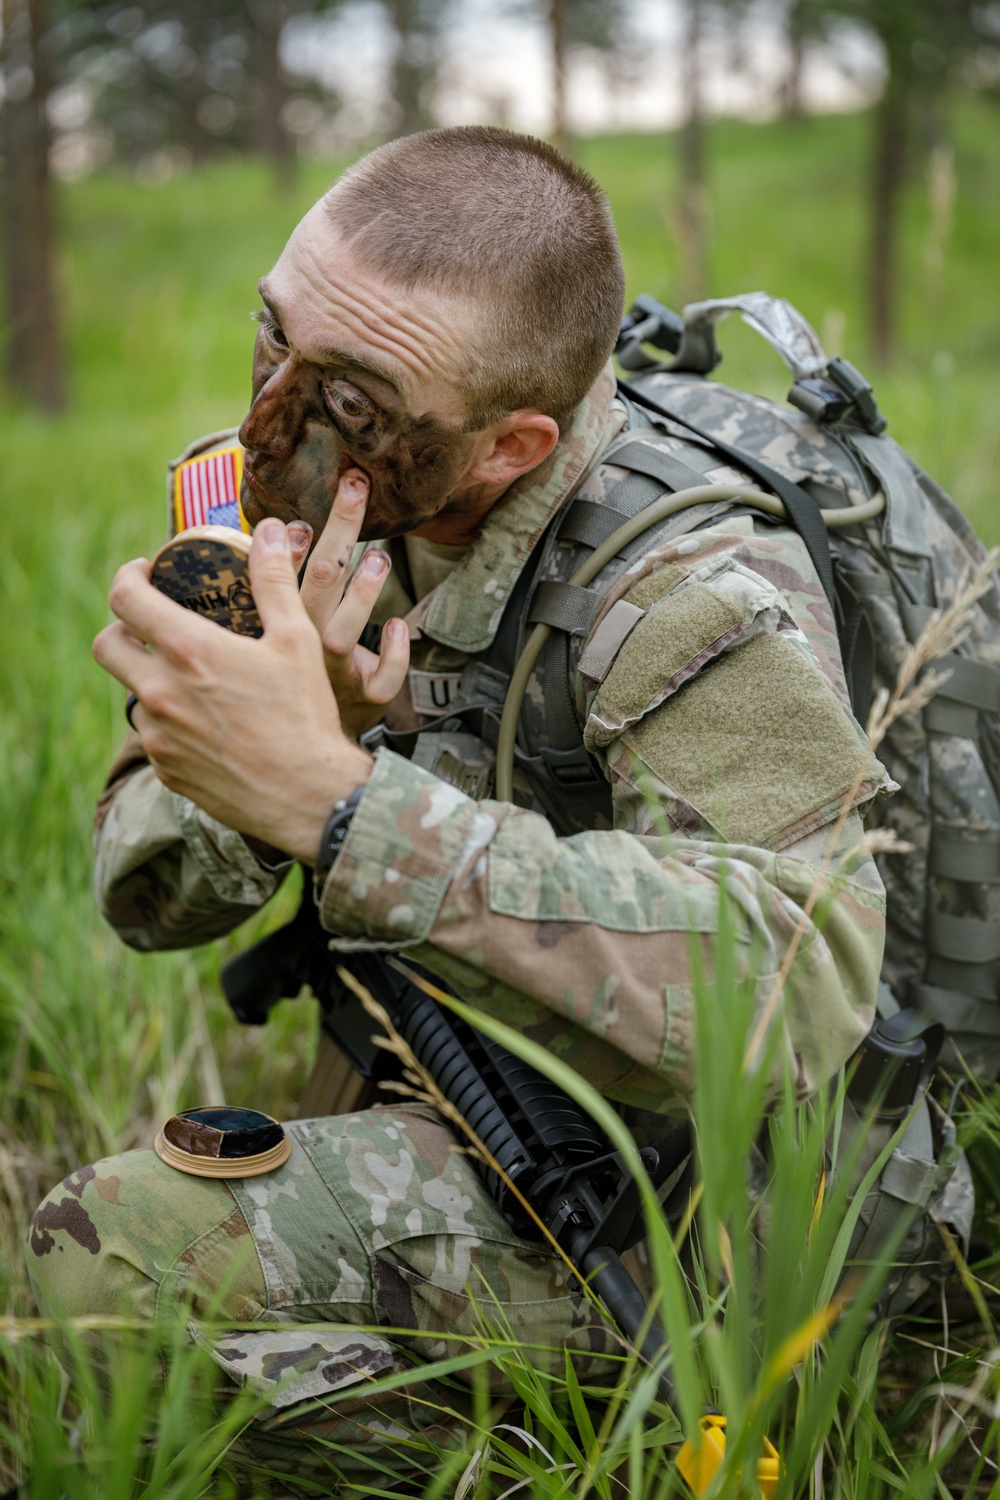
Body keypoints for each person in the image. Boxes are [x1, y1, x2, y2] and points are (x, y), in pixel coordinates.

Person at [28, 126, 890, 1489]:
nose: (268, 426)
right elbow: (138, 894)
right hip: (467, 1070)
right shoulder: (302, 495)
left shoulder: (688, 593)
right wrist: (285, 752)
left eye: (351, 404)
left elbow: (810, 972)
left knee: (112, 1250)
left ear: (513, 444)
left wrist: (344, 803)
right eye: (271, 336)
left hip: (697, 1207)